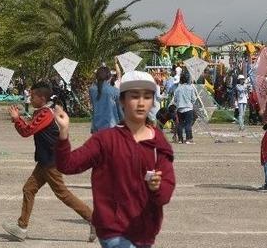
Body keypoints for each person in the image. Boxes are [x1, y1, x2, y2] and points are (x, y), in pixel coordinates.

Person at [54, 70, 176, 248]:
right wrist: (63, 133)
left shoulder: (159, 143)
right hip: (113, 230)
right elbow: (67, 165)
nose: (141, 103)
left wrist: (157, 187)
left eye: (147, 97)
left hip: (145, 232)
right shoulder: (105, 140)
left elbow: (164, 195)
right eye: (134, 96)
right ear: (122, 101)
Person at [2, 81, 95, 242]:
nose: (30, 99)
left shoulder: (45, 114)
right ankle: (21, 227)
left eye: (32, 96)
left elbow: (28, 131)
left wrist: (17, 119)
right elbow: (30, 126)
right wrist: (19, 119)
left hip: (51, 162)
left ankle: (94, 219)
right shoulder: (42, 111)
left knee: (63, 194)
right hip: (45, 161)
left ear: (42, 97)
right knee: (29, 189)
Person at [89, 66, 122, 133]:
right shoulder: (115, 91)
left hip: (96, 127)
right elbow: (120, 111)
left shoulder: (92, 90)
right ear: (109, 77)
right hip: (111, 127)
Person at [172, 70, 196, 144]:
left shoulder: (178, 89)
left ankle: (180, 139)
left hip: (180, 109)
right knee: (188, 124)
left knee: (180, 124)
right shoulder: (190, 88)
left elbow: (175, 99)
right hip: (188, 108)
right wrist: (191, 103)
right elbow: (194, 99)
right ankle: (189, 139)